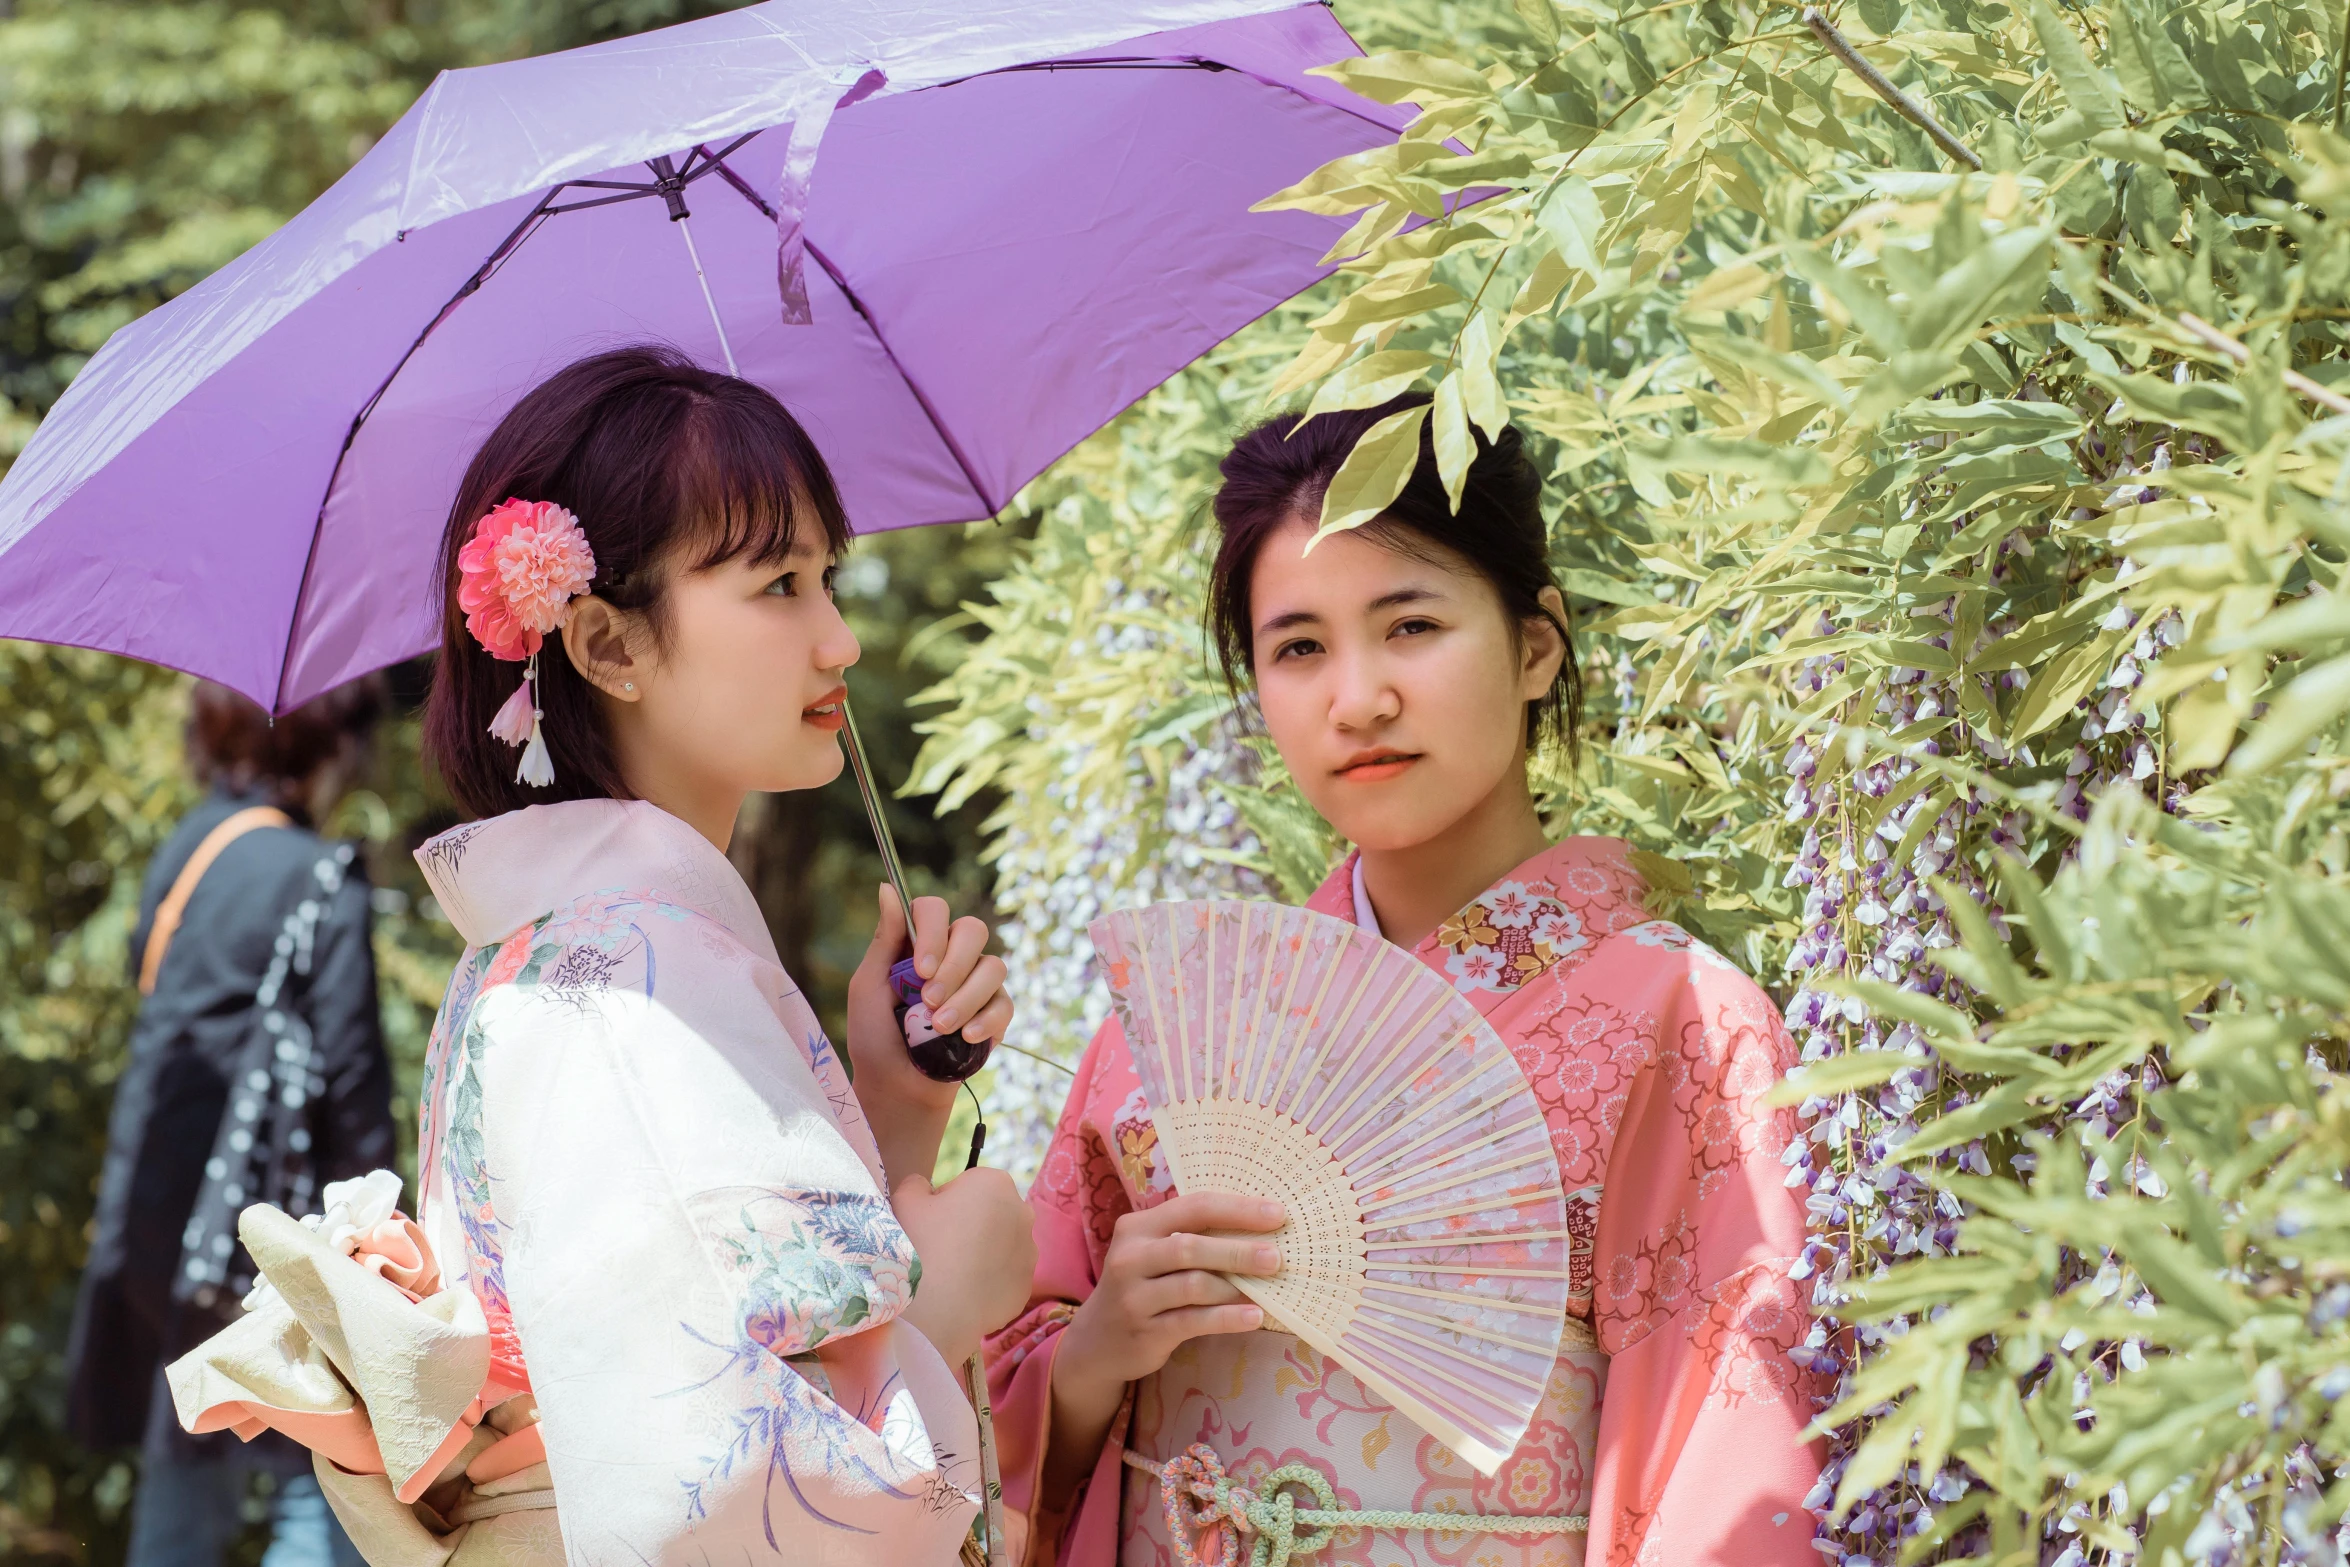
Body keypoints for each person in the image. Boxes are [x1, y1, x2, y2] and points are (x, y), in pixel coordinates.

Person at [164, 346, 1038, 1564]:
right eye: (780, 584)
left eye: (827, 576)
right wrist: (950, 1287)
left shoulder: (564, 956)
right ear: (605, 644)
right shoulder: (619, 988)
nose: (837, 638)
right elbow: (711, 1486)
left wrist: (895, 1114)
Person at [984, 394, 1824, 1566]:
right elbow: (990, 1407)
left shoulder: (1682, 1022)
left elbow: (1733, 1458)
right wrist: (1085, 1367)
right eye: (1298, 648)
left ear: (1537, 645)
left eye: (1411, 626)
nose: (1357, 698)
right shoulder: (1170, 1038)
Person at [68, 676, 394, 1567]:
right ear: (328, 748)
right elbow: (354, 1087)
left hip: (161, 1221)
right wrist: (383, 1250)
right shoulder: (320, 875)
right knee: (317, 1475)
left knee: (187, 1465)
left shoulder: (188, 850)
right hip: (264, 1238)